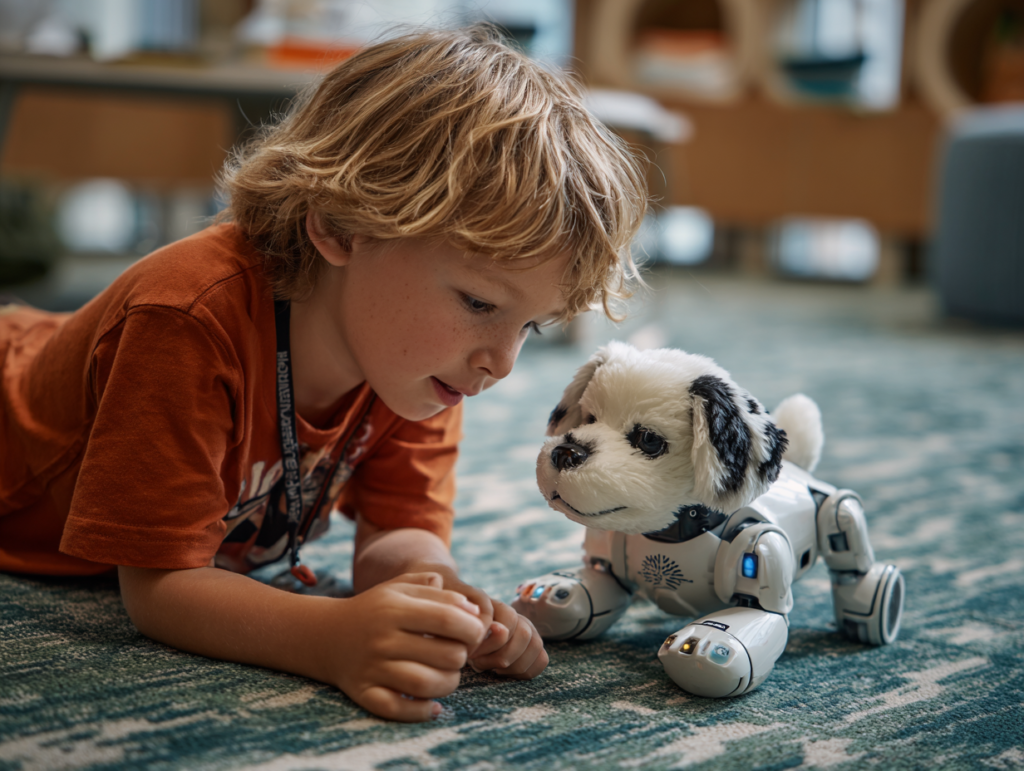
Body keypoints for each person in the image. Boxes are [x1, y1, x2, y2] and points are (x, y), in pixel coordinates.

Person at [0, 25, 647, 722]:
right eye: (479, 303)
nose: (502, 362)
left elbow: (399, 531)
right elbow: (161, 588)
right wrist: (332, 636)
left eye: (529, 325)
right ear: (340, 226)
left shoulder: (415, 361)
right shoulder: (185, 318)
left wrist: (436, 598)